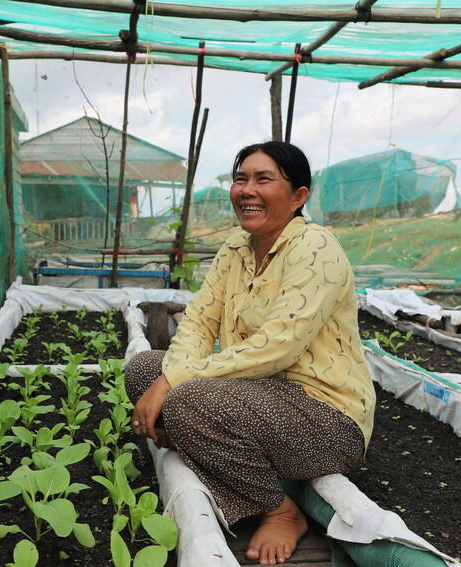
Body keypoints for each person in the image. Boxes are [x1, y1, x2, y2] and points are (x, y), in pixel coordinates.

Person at [125, 141, 375, 565]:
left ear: (299, 197)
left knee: (187, 398)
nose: (247, 189)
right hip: (255, 400)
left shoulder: (315, 248)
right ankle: (204, 440)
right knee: (144, 370)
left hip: (325, 418)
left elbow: (278, 346)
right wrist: (167, 377)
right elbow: (200, 322)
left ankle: (279, 510)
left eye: (263, 179)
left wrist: (175, 386)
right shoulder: (236, 249)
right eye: (241, 179)